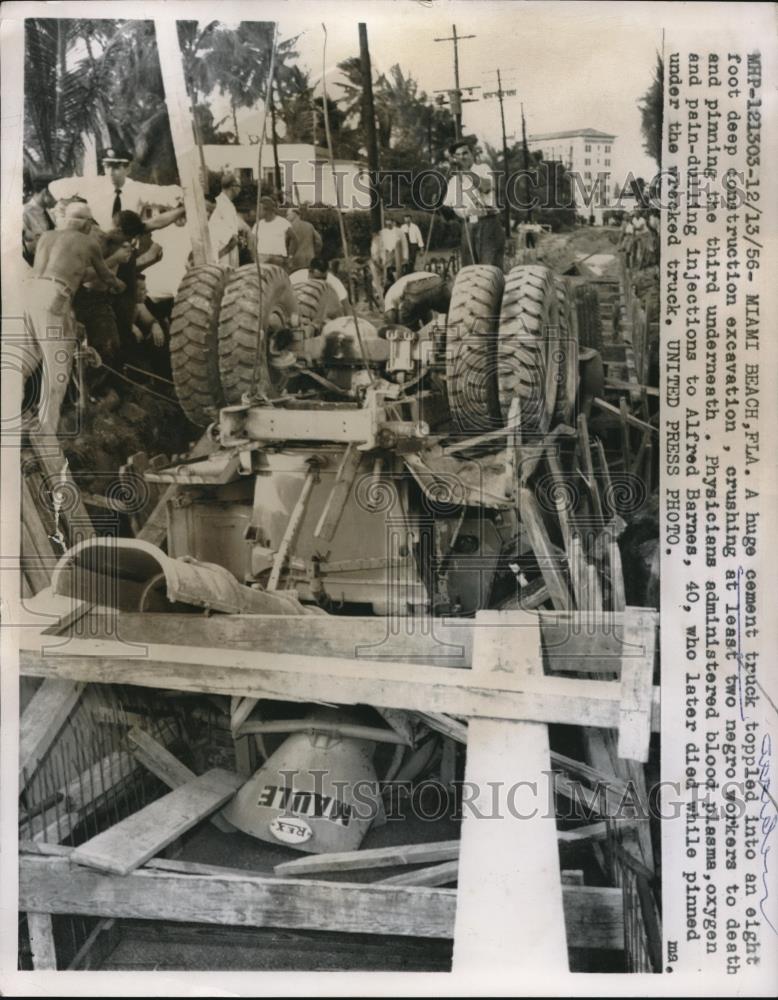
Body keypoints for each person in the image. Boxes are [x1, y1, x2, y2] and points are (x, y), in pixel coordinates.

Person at [24, 202, 125, 435]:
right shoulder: (89, 242)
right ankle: (46, 432)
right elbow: (104, 276)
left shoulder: (46, 236)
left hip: (29, 293)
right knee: (57, 368)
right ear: (88, 224)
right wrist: (118, 283)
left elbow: (68, 270)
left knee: (25, 362)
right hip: (55, 296)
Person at [49, 146, 183, 232]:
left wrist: (185, 196)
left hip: (124, 247)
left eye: (116, 167)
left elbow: (170, 194)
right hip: (96, 245)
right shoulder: (92, 184)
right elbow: (54, 187)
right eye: (107, 166)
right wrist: (62, 217)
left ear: (128, 169)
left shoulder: (137, 189)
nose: (111, 172)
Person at [443, 137, 505, 269]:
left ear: (472, 154)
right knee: (469, 271)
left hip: (487, 223)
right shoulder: (454, 180)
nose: (462, 157)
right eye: (457, 155)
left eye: (465, 153)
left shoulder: (482, 168)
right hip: (468, 226)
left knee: (489, 270)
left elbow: (486, 187)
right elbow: (448, 207)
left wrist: (465, 171)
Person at [208, 172, 242, 268]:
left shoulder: (222, 203)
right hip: (222, 255)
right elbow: (233, 239)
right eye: (239, 186)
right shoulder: (225, 206)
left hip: (218, 252)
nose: (240, 190)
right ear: (233, 187)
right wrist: (216, 258)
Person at [251, 196, 297, 267]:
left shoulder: (283, 222)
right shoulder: (257, 225)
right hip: (261, 259)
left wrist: (291, 256)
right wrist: (255, 257)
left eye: (260, 209)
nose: (257, 212)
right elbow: (253, 243)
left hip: (278, 259)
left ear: (267, 210)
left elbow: (295, 239)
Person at [22, 176, 56, 264]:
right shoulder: (24, 214)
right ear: (45, 192)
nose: (57, 200)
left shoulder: (50, 212)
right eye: (55, 195)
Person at [286, 206, 323, 272]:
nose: (286, 217)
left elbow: (285, 243)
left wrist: (288, 256)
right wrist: (314, 252)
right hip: (310, 259)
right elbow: (319, 241)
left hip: (295, 260)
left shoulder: (289, 227)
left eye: (288, 215)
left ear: (295, 214)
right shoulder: (309, 225)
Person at [377, 218, 408, 289]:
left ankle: (399, 286)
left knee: (398, 272)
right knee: (388, 271)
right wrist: (382, 256)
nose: (388, 226)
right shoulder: (382, 232)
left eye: (390, 224)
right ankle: (389, 287)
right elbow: (381, 245)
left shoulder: (399, 231)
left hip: (397, 253)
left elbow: (404, 244)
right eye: (387, 224)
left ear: (393, 223)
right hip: (387, 253)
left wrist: (405, 256)